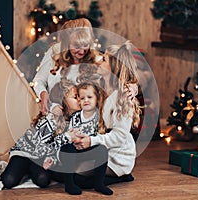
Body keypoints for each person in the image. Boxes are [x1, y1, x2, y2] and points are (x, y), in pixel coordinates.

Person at [61, 40, 141, 188]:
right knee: (65, 169)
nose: (98, 60)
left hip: (117, 154)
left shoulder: (123, 97)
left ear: (113, 68)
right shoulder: (100, 84)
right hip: (100, 145)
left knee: (78, 178)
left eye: (104, 59)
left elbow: (119, 137)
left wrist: (91, 141)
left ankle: (122, 176)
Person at [0, 78, 81, 189]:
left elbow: (59, 148)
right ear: (63, 100)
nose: (80, 100)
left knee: (43, 180)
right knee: (8, 180)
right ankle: (20, 167)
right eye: (75, 97)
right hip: (25, 152)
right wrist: (65, 135)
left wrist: (52, 159)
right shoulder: (52, 117)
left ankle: (30, 170)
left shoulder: (75, 120)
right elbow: (40, 146)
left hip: (41, 157)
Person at [49, 81, 112, 195]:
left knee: (102, 149)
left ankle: (99, 184)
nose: (85, 100)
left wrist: (88, 141)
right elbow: (70, 133)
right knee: (67, 148)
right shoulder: (75, 117)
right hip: (75, 150)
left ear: (96, 99)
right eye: (82, 98)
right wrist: (74, 140)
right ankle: (69, 185)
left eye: (89, 97)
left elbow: (98, 135)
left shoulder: (99, 116)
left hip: (88, 147)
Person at [32, 18, 97, 115]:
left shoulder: (94, 59)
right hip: (54, 115)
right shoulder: (55, 51)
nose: (82, 51)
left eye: (85, 44)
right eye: (76, 45)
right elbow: (38, 80)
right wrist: (42, 93)